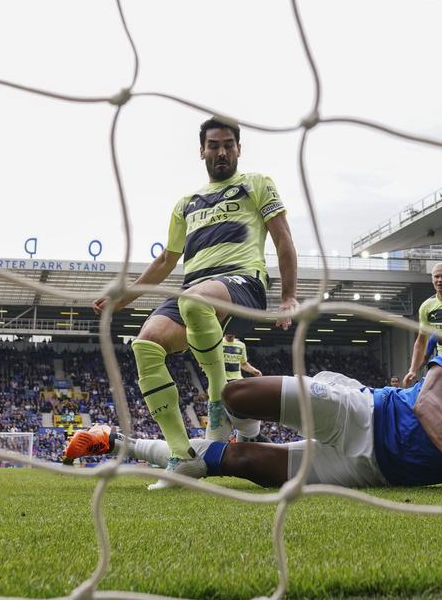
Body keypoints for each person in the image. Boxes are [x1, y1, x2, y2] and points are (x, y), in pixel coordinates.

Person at [64, 322, 442, 494]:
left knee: (236, 463)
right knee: (237, 395)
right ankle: (178, 445)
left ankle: (116, 441)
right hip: (360, 412)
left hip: (366, 471)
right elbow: (430, 401)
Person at [92, 116, 298, 489]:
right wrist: (124, 298)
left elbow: (283, 238)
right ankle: (182, 457)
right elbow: (165, 262)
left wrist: (288, 297)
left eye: (228, 145)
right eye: (214, 145)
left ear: (238, 149)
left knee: (193, 301)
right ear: (202, 150)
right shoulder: (185, 205)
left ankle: (218, 398)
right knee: (146, 342)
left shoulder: (256, 184)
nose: (221, 152)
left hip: (242, 284)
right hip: (195, 293)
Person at [218, 334, 264, 442]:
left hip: (237, 381)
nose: (231, 334)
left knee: (240, 409)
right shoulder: (219, 343)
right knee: (220, 412)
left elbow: (243, 364)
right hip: (221, 381)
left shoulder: (241, 345)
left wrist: (253, 371)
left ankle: (243, 435)